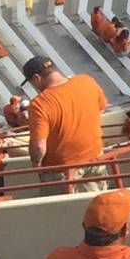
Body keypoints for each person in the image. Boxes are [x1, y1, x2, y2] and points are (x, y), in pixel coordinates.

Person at [22, 55, 111, 187]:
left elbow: (39, 147)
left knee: (71, 207)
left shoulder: (39, 104)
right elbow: (101, 108)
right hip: (96, 158)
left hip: (65, 170)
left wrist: (36, 165)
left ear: (36, 78)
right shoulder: (87, 81)